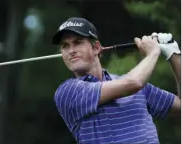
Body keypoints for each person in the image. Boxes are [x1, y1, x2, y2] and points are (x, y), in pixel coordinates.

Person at [52, 17, 181, 144]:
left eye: (78, 42)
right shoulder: (68, 92)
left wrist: (173, 54)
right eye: (65, 46)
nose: (71, 51)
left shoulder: (134, 83)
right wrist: (153, 53)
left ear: (96, 48)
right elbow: (133, 83)